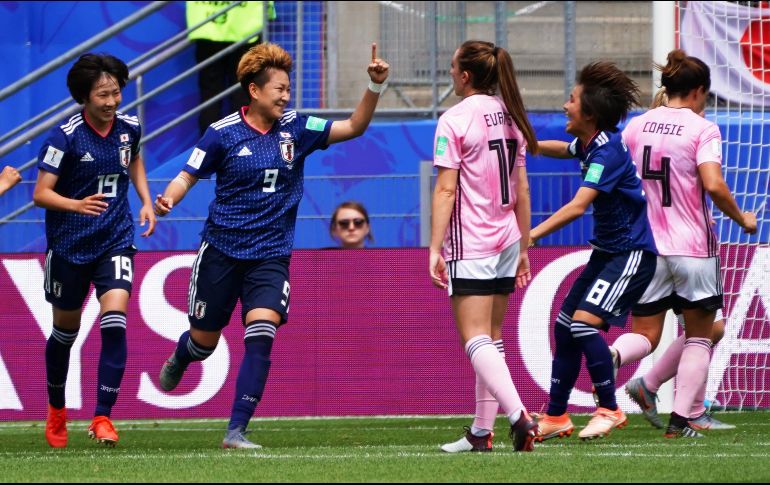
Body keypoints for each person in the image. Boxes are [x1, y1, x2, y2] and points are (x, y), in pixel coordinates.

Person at [153, 42, 389, 448]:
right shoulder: (221, 134)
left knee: (262, 332)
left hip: (271, 254)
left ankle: (236, 431)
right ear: (254, 91)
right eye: (278, 88)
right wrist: (170, 198)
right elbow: (187, 174)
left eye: (288, 87)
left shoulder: (297, 127)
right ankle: (183, 355)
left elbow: (354, 127)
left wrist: (374, 86)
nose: (286, 95)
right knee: (205, 343)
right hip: (222, 252)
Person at [610, 50, 755, 437]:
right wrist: (742, 218)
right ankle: (684, 418)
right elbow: (712, 183)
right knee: (701, 334)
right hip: (691, 246)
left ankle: (612, 357)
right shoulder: (701, 129)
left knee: (646, 333)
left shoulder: (636, 126)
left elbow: (615, 176)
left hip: (647, 247)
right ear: (699, 91)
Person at [32, 53, 156, 448]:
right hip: (70, 246)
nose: (112, 101)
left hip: (114, 239)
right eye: (103, 95)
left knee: (115, 318)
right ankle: (56, 409)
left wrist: (146, 200)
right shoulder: (63, 137)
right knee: (65, 334)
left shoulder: (129, 127)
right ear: (84, 97)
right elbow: (40, 194)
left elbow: (133, 159)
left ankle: (103, 416)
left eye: (116, 92)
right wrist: (77, 204)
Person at [529, 61, 657, 442]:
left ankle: (610, 408)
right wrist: (529, 144)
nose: (565, 105)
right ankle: (555, 416)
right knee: (565, 327)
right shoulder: (590, 143)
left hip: (631, 255)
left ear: (590, 113)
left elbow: (577, 206)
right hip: (608, 253)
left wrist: (530, 236)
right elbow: (562, 148)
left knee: (584, 324)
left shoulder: (607, 154)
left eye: (571, 100)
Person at [429, 40, 539, 453]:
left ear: (465, 76)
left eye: (453, 66)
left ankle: (519, 417)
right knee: (491, 337)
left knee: (474, 338)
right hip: (507, 236)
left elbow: (445, 189)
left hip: (472, 240)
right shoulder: (512, 116)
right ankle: (480, 432)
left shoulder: (455, 119)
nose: (451, 72)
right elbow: (523, 189)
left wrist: (434, 248)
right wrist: (524, 246)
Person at [186, 1, 276, 136]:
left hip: (207, 30)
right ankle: (240, 144)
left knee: (211, 96)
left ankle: (209, 149)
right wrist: (269, 10)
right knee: (243, 93)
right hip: (246, 30)